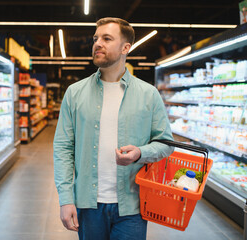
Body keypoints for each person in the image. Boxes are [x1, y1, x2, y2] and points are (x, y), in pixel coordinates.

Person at [53, 17, 174, 240]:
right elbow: (63, 148)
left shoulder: (148, 94)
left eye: (107, 39)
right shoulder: (75, 93)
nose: (98, 43)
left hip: (133, 205)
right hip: (88, 205)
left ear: (125, 48)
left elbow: (165, 143)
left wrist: (140, 153)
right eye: (96, 38)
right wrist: (66, 199)